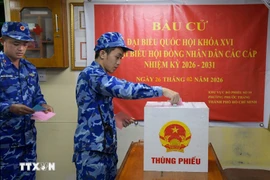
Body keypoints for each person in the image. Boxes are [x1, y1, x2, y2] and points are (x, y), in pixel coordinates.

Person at [73, 32, 181, 180]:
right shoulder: (92, 74)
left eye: (120, 58)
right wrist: (162, 90)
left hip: (105, 148)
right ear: (103, 53)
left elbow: (93, 109)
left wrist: (114, 118)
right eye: (117, 57)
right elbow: (125, 89)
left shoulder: (101, 75)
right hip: (92, 151)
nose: (118, 62)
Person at [0, 21, 53, 180]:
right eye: (16, 44)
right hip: (4, 142)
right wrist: (9, 109)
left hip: (27, 140)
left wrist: (43, 105)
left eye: (25, 44)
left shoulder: (29, 68)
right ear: (3, 41)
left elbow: (36, 94)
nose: (21, 48)